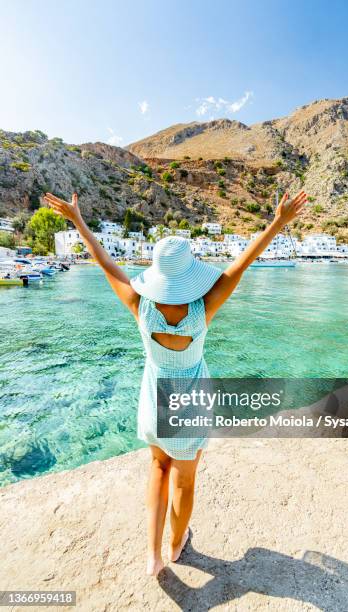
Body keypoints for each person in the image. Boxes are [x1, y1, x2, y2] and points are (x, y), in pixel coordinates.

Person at [44, 189, 307, 576]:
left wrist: (78, 221)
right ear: (188, 274)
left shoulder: (140, 305)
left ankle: (151, 556)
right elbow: (243, 262)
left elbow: (106, 264)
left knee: (158, 469)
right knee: (184, 481)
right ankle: (175, 544)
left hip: (154, 398)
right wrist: (278, 222)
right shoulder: (205, 306)